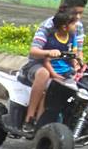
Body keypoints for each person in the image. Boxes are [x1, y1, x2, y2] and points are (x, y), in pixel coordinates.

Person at [20, 8, 83, 136]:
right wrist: (49, 54)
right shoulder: (49, 35)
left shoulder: (72, 37)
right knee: (49, 87)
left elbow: (74, 55)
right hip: (45, 68)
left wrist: (77, 65)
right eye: (73, 23)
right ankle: (31, 119)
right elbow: (39, 55)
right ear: (64, 26)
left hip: (65, 71)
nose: (76, 25)